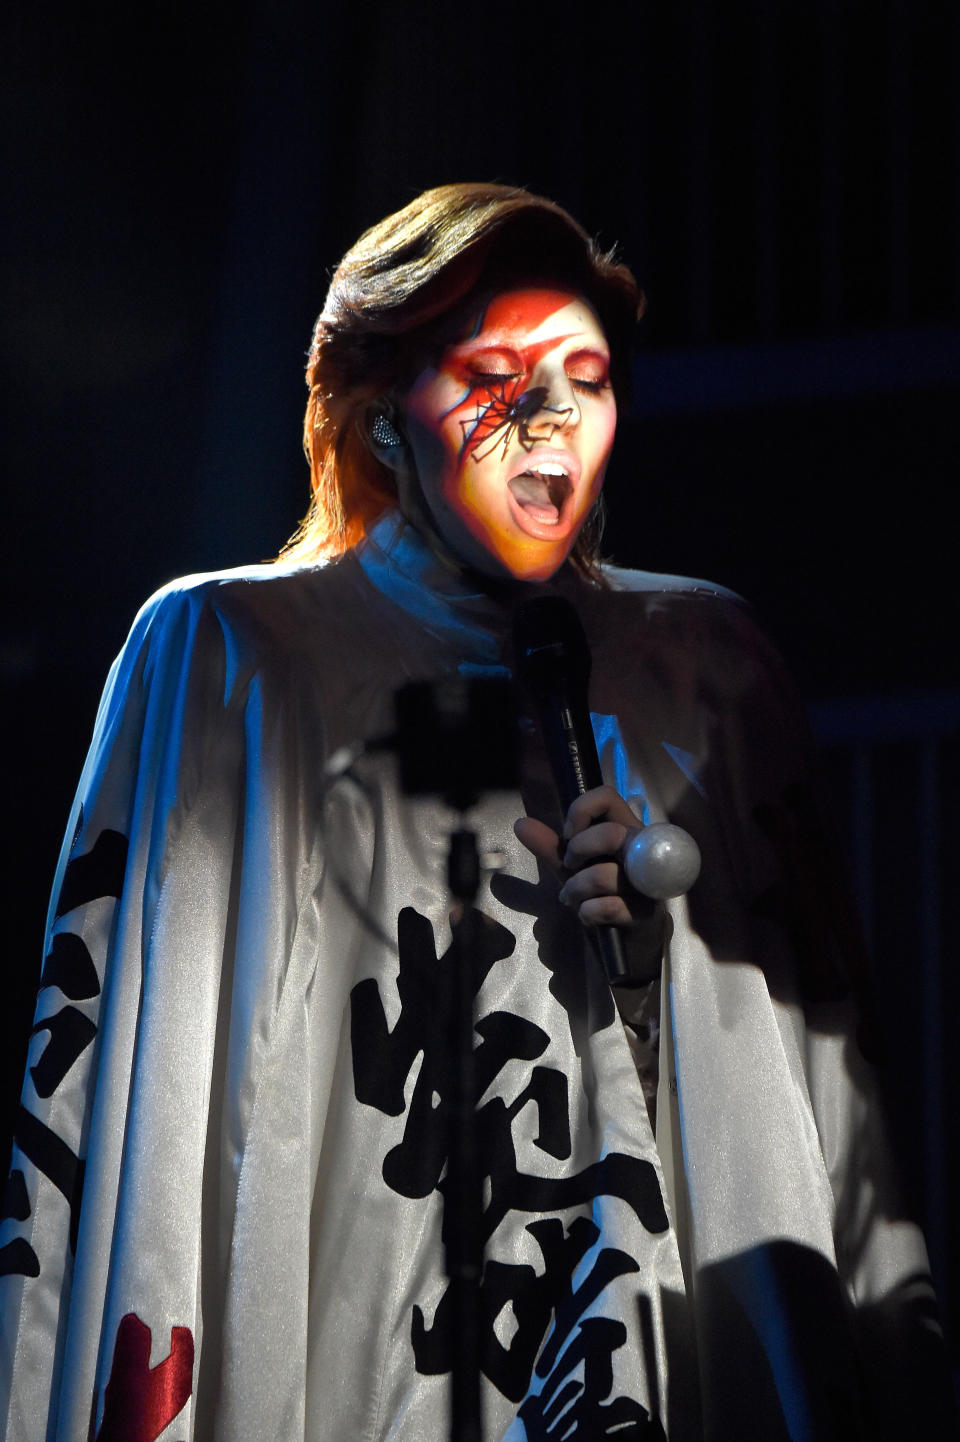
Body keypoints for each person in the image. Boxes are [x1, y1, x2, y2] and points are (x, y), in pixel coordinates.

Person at [0, 184, 952, 1441]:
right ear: (384, 417)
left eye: (584, 375)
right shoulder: (234, 650)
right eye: (495, 373)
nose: (547, 416)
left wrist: (674, 968)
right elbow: (149, 1086)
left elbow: (828, 1116)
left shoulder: (700, 662)